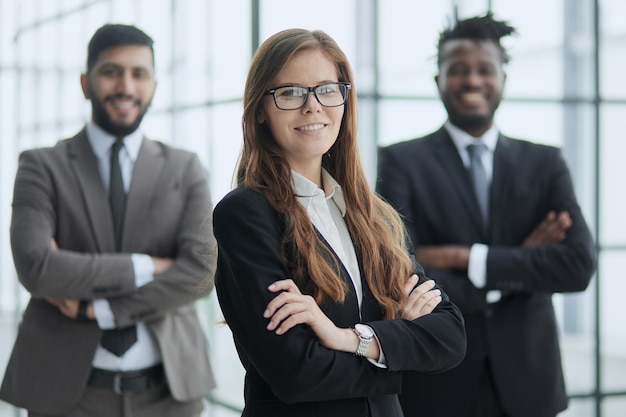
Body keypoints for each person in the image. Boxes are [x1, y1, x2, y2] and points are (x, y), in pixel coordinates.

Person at [212, 28, 466, 417]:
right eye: (290, 92)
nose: (312, 106)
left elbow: (449, 335)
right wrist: (401, 351)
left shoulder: (372, 215)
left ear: (345, 100)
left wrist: (348, 339)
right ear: (260, 109)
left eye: (327, 89)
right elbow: (298, 374)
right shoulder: (245, 214)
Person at [376, 13, 597, 417]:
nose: (473, 81)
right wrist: (509, 275)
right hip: (437, 383)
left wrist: (466, 259)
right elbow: (398, 271)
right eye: (457, 70)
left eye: (484, 69)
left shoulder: (545, 163)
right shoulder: (400, 161)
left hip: (530, 385)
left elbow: (578, 265)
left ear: (503, 79)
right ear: (438, 81)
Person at [0, 24, 216, 417]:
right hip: (66, 396)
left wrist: (97, 309)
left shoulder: (186, 168)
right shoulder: (40, 166)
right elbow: (36, 267)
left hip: (170, 396)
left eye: (139, 74)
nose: (126, 87)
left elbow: (202, 271)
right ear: (86, 82)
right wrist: (147, 266)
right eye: (111, 71)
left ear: (153, 85)